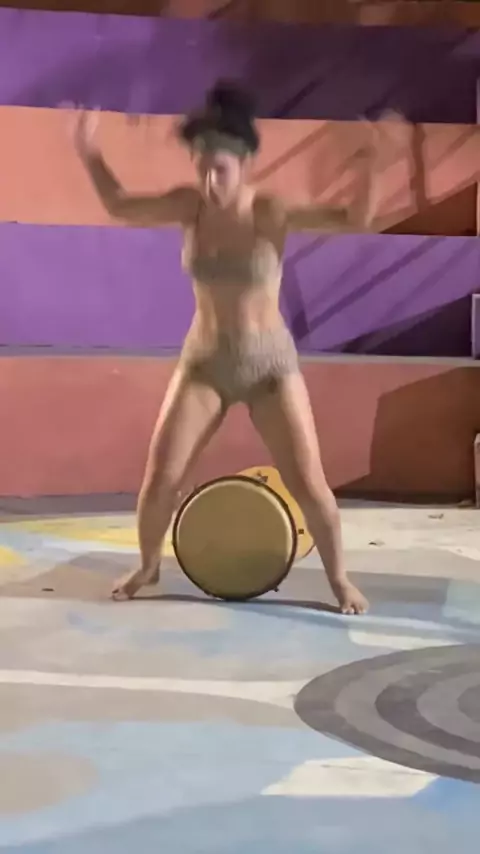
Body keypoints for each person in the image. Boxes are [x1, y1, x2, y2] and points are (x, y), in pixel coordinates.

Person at [74, 81, 385, 615]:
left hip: (269, 367)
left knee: (309, 483)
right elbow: (121, 206)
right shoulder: (189, 206)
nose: (208, 181)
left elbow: (355, 219)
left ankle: (340, 580)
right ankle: (148, 566)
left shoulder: (271, 210)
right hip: (205, 363)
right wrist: (89, 152)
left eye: (218, 170)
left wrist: (373, 165)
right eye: (200, 168)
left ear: (244, 166)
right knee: (161, 479)